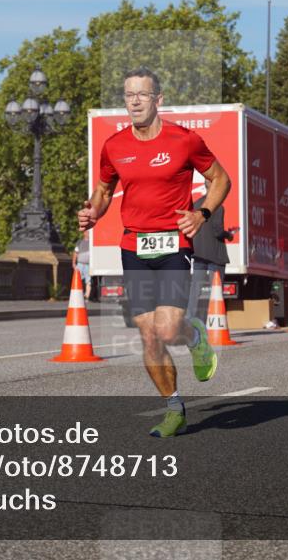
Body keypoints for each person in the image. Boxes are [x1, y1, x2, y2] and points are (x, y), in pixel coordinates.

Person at [78, 67, 231, 438]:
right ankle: (174, 408)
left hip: (173, 243)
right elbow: (103, 188)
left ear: (158, 100)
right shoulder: (114, 146)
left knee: (167, 328)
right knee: (149, 335)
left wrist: (202, 213)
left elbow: (221, 179)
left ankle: (195, 338)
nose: (133, 101)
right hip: (133, 245)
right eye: (128, 94)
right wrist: (93, 211)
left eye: (142, 95)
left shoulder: (184, 140)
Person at [185, 179, 233, 323]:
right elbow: (217, 231)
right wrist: (228, 235)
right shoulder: (217, 207)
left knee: (195, 290)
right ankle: (216, 323)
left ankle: (189, 319)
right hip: (215, 255)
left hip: (198, 253)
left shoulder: (196, 204)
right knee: (216, 291)